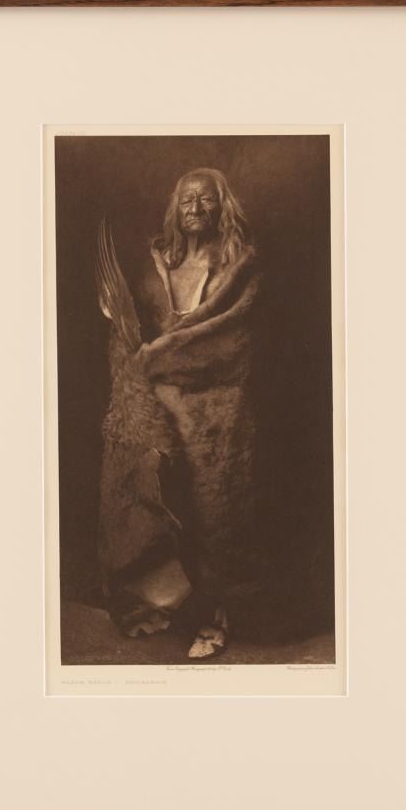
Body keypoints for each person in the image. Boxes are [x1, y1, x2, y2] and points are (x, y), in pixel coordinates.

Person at [96, 168, 261, 659]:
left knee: (215, 514)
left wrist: (153, 356)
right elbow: (133, 334)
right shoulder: (158, 264)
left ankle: (215, 618)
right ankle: (161, 604)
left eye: (206, 200)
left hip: (217, 412)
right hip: (160, 407)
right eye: (187, 200)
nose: (195, 208)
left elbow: (229, 339)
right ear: (175, 208)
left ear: (222, 207)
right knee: (161, 506)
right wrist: (123, 333)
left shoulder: (239, 266)